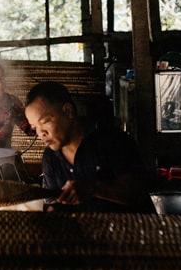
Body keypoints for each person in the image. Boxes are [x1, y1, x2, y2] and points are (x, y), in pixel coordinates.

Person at [24, 81, 154, 213]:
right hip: (85, 231)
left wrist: (92, 188)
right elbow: (55, 202)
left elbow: (138, 191)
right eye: (35, 128)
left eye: (44, 122)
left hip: (131, 229)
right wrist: (52, 208)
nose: (41, 133)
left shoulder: (112, 140)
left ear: (68, 111)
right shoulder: (50, 158)